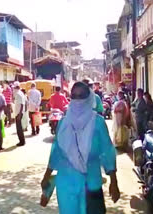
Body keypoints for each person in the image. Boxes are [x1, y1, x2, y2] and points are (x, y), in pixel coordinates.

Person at [41, 82, 120, 214]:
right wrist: (46, 177)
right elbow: (56, 153)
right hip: (66, 184)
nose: (77, 100)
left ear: (88, 98)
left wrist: (114, 181)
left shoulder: (98, 122)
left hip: (91, 182)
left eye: (81, 96)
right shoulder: (63, 123)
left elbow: (107, 151)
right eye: (74, 96)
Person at [13, 82, 26, 146]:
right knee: (19, 128)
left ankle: (22, 141)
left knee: (19, 128)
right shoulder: (19, 93)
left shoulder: (18, 94)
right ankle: (22, 140)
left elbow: (22, 105)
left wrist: (20, 114)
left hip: (19, 113)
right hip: (18, 113)